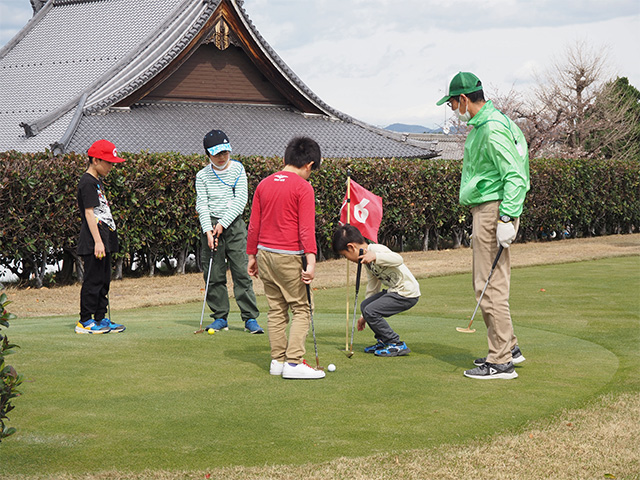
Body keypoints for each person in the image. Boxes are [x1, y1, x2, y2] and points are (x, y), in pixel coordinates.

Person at [436, 71, 529, 379]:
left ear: (464, 99)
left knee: (487, 287)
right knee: (494, 283)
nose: (453, 110)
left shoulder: (490, 128)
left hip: (493, 210)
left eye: (452, 104)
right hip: (493, 208)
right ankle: (509, 346)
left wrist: (506, 216)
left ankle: (501, 361)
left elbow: (515, 175)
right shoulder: (495, 122)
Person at [246, 136, 324, 379]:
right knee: (302, 308)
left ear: (285, 158)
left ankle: (277, 361)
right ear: (309, 165)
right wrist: (311, 261)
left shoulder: (264, 184)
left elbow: (253, 225)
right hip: (290, 256)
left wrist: (251, 256)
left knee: (276, 309)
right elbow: (305, 229)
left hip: (265, 255)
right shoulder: (303, 187)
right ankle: (293, 363)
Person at [195, 129, 263, 334]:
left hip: (233, 226)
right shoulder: (202, 176)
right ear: (208, 154)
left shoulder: (238, 169)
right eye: (217, 154)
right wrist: (208, 230)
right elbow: (202, 205)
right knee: (213, 274)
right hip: (211, 226)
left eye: (225, 152)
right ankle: (220, 317)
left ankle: (250, 318)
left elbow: (241, 200)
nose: (223, 157)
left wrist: (223, 223)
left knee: (242, 272)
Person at [332, 225, 420, 357]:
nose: (347, 259)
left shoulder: (376, 249)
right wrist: (364, 315)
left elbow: (398, 259)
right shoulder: (366, 261)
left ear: (351, 247)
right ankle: (383, 340)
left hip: (406, 292)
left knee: (371, 310)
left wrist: (376, 256)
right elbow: (373, 287)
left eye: (345, 255)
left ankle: (395, 343)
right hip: (394, 291)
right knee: (365, 306)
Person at [75, 139, 126, 334]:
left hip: (104, 239)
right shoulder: (87, 182)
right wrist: (97, 241)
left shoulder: (97, 181)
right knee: (93, 281)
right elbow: (89, 213)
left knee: (104, 280)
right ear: (95, 160)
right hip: (93, 241)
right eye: (108, 162)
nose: (111, 166)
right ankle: (85, 321)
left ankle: (100, 318)